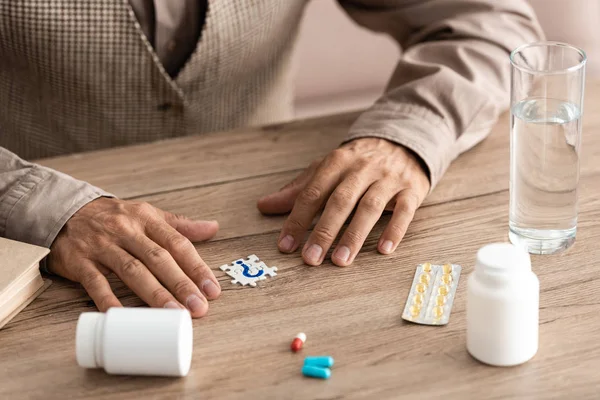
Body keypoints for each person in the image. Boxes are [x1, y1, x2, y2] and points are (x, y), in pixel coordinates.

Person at [0, 1, 543, 317]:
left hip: (263, 208)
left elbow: (488, 17)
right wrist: (43, 205)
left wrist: (410, 131)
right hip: (33, 264)